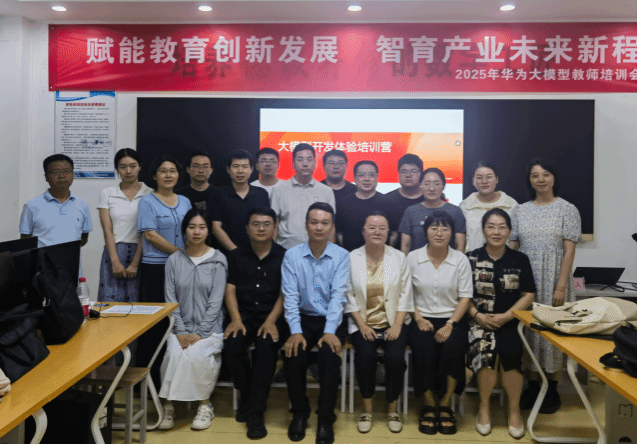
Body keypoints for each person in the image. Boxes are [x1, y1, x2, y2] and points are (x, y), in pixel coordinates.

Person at [510, 159, 581, 414]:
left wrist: (560, 287)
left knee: (552, 333)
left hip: (554, 281)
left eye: (546, 174)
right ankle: (532, 386)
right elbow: (513, 248)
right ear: (529, 180)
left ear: (554, 178)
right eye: (535, 175)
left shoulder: (567, 209)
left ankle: (551, 388)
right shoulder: (519, 211)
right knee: (529, 333)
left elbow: (569, 251)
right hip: (527, 282)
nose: (541, 179)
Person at [282, 202, 349, 444]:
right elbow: (289, 297)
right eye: (314, 222)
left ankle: (325, 418)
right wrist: (295, 331)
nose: (319, 227)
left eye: (325, 223)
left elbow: (338, 297)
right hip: (302, 318)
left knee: (329, 358)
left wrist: (330, 331)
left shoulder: (341, 256)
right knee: (293, 355)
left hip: (332, 319)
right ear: (306, 225)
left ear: (331, 226)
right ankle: (300, 412)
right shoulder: (292, 255)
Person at [467, 208, 536, 439]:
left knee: (510, 352)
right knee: (485, 351)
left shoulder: (519, 259)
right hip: (478, 321)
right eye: (491, 226)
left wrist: (507, 316)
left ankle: (514, 412)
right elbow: (463, 295)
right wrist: (477, 315)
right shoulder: (471, 258)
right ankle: (484, 408)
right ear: (483, 230)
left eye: (502, 227)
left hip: (510, 321)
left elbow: (528, 294)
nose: (496, 232)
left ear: (509, 231)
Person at [223, 207, 288, 439]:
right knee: (231, 346)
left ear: (275, 228)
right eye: (256, 224)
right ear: (247, 228)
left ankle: (256, 412)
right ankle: (248, 396)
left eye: (266, 224)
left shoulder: (285, 256)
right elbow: (230, 289)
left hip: (272, 316)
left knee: (266, 348)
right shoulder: (236, 255)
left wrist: (271, 321)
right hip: (243, 315)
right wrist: (236, 319)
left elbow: (285, 292)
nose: (261, 228)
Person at [158, 209, 227, 431]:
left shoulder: (218, 260)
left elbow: (216, 302)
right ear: (184, 230)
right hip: (178, 328)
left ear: (208, 231)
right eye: (192, 227)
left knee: (197, 355)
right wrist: (181, 331)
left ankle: (205, 406)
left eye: (202, 227)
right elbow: (170, 300)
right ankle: (168, 406)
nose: (197, 232)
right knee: (173, 354)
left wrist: (200, 333)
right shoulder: (174, 260)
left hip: (210, 328)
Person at [345, 211, 412, 434]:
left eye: (382, 228)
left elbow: (406, 294)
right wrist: (362, 325)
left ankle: (392, 409)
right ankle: (367, 410)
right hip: (362, 322)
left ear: (389, 232)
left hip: (394, 321)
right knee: (365, 356)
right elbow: (348, 295)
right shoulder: (351, 257)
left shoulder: (399, 257)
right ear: (363, 231)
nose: (377, 232)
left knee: (395, 358)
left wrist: (397, 325)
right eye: (372, 227)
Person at [407, 211, 472, 436]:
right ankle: (428, 404)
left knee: (454, 346)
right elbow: (406, 294)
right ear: (425, 231)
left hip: (452, 318)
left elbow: (465, 297)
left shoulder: (460, 259)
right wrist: (418, 318)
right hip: (421, 317)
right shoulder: (413, 258)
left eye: (445, 228)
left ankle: (444, 404)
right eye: (434, 228)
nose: (439, 233)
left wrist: (450, 324)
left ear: (452, 233)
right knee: (423, 347)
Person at [137, 155, 192, 388]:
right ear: (154, 175)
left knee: (179, 323)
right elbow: (150, 235)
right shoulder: (147, 202)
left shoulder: (185, 201)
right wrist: (180, 254)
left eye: (172, 170)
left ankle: (176, 381)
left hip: (182, 269)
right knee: (155, 325)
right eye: (163, 171)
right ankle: (149, 383)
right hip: (156, 269)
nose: (168, 175)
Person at [97, 148, 152, 303]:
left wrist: (135, 263)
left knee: (137, 302)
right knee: (110, 303)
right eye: (123, 167)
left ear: (140, 166)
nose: (128, 171)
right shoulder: (108, 193)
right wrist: (115, 261)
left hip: (142, 252)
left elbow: (147, 232)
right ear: (117, 169)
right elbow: (107, 229)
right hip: (113, 252)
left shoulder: (150, 193)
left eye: (133, 166)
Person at [20, 154, 92, 249]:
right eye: (55, 172)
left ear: (73, 175)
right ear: (46, 177)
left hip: (72, 258)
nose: (62, 176)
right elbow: (25, 241)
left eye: (66, 171)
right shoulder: (31, 206)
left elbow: (84, 238)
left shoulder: (82, 204)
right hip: (41, 259)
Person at [271, 143, 336, 249]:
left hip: (318, 251)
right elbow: (274, 224)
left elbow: (331, 226)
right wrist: (273, 253)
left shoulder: (326, 191)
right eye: (300, 159)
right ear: (293, 164)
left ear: (315, 163)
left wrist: (331, 252)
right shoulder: (278, 189)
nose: (305, 164)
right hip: (286, 250)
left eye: (309, 159)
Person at [208, 150, 270, 253]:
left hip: (256, 253)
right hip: (226, 254)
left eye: (245, 166)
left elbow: (267, 225)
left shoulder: (261, 194)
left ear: (251, 169)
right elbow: (215, 227)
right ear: (228, 169)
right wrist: (236, 252)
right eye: (236, 166)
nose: (240, 171)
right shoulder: (218, 194)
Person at [399, 167, 466, 254]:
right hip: (416, 261)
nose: (431, 188)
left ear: (443, 187)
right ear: (420, 186)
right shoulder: (411, 211)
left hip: (447, 261)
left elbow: (460, 246)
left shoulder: (455, 211)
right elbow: (405, 246)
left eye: (437, 184)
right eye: (427, 184)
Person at [459, 161, 518, 252]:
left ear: (497, 179)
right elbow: (460, 241)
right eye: (479, 178)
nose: (484, 181)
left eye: (489, 177)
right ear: (473, 181)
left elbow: (515, 238)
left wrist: (508, 258)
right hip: (472, 259)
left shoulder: (511, 205)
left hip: (504, 259)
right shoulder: (465, 206)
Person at [336, 160, 387, 251]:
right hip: (350, 255)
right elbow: (339, 234)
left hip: (380, 256)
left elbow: (393, 234)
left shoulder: (388, 202)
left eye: (371, 175)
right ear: (354, 178)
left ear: (377, 177)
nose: (366, 179)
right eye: (361, 175)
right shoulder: (343, 203)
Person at [384, 154, 424, 247]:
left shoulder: (430, 199)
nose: (408, 175)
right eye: (403, 171)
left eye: (413, 171)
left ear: (421, 174)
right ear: (398, 174)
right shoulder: (387, 200)